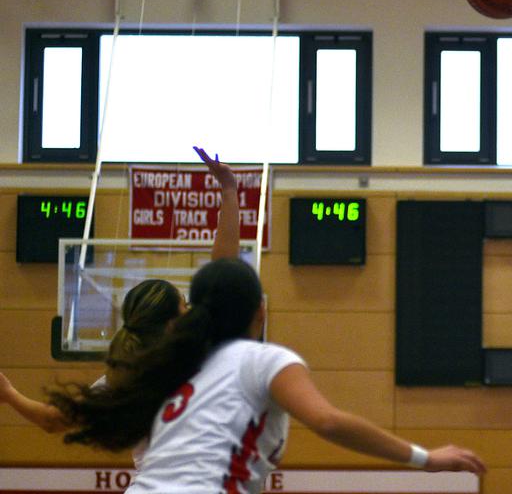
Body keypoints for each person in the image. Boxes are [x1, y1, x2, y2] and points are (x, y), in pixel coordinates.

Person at [47, 258, 486, 492]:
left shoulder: (177, 364)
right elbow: (327, 421)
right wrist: (426, 458)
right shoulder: (263, 360)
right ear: (261, 310)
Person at [0, 146, 239, 432]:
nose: (191, 310)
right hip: (193, 477)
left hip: (153, 478)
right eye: (184, 306)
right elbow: (223, 268)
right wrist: (228, 189)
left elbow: (56, 420)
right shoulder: (195, 353)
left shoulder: (126, 376)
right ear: (170, 324)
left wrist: (10, 395)